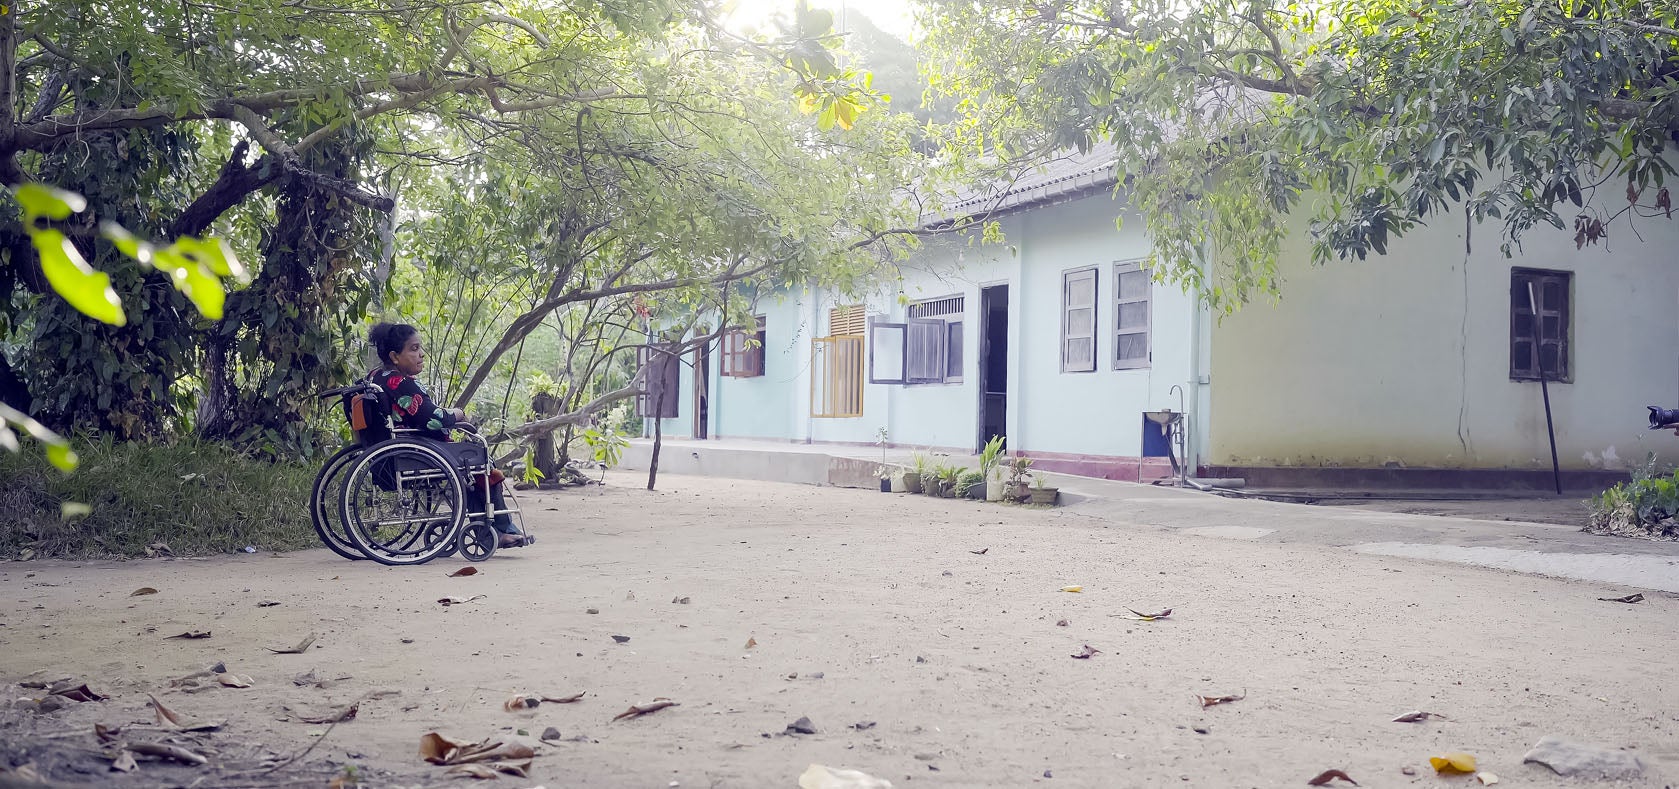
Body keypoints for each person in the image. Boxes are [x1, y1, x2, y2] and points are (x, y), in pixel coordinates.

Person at [367, 322, 532, 549]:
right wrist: (459, 414)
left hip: (400, 449)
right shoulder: (400, 383)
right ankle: (498, 528)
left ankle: (491, 527)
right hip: (415, 451)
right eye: (414, 349)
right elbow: (432, 418)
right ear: (395, 356)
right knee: (481, 460)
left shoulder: (376, 377)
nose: (421, 354)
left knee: (470, 466)